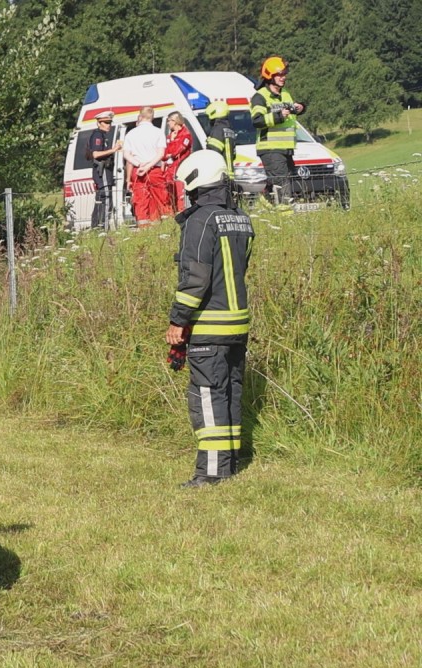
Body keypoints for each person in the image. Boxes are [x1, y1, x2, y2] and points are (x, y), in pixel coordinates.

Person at [166, 150, 254, 488]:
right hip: (238, 323)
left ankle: (211, 473)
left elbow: (195, 278)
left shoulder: (199, 221)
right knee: (230, 391)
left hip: (209, 326)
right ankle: (229, 462)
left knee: (207, 396)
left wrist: (178, 320)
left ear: (195, 181)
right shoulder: (240, 217)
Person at [251, 56, 305, 206]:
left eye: (284, 74)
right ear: (269, 76)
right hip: (270, 148)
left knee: (286, 181)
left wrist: (300, 108)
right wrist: (278, 116)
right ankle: (285, 214)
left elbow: (290, 115)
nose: (283, 77)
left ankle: (265, 202)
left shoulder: (285, 93)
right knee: (282, 184)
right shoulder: (260, 97)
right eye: (279, 74)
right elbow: (257, 121)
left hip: (286, 148)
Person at [121, 107, 169, 226]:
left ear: (140, 116)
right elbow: (161, 154)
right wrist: (149, 166)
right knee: (160, 199)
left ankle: (143, 229)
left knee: (140, 201)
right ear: (152, 117)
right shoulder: (158, 132)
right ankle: (162, 228)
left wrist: (138, 164)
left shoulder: (131, 134)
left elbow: (126, 154)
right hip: (154, 170)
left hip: (138, 170)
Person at [86, 109, 124, 229]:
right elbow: (95, 154)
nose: (109, 125)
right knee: (106, 200)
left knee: (102, 201)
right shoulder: (98, 135)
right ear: (99, 123)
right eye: (106, 122)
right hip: (102, 172)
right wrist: (114, 149)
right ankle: (104, 229)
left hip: (105, 172)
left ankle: (98, 228)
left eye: (110, 122)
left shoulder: (103, 135)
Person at [162, 112, 194, 212]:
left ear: (175, 121)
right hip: (169, 170)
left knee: (180, 195)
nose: (168, 123)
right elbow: (164, 154)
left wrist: (172, 142)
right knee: (168, 195)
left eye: (169, 121)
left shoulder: (185, 135)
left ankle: (181, 213)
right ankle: (170, 215)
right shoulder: (169, 137)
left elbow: (176, 152)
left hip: (180, 169)